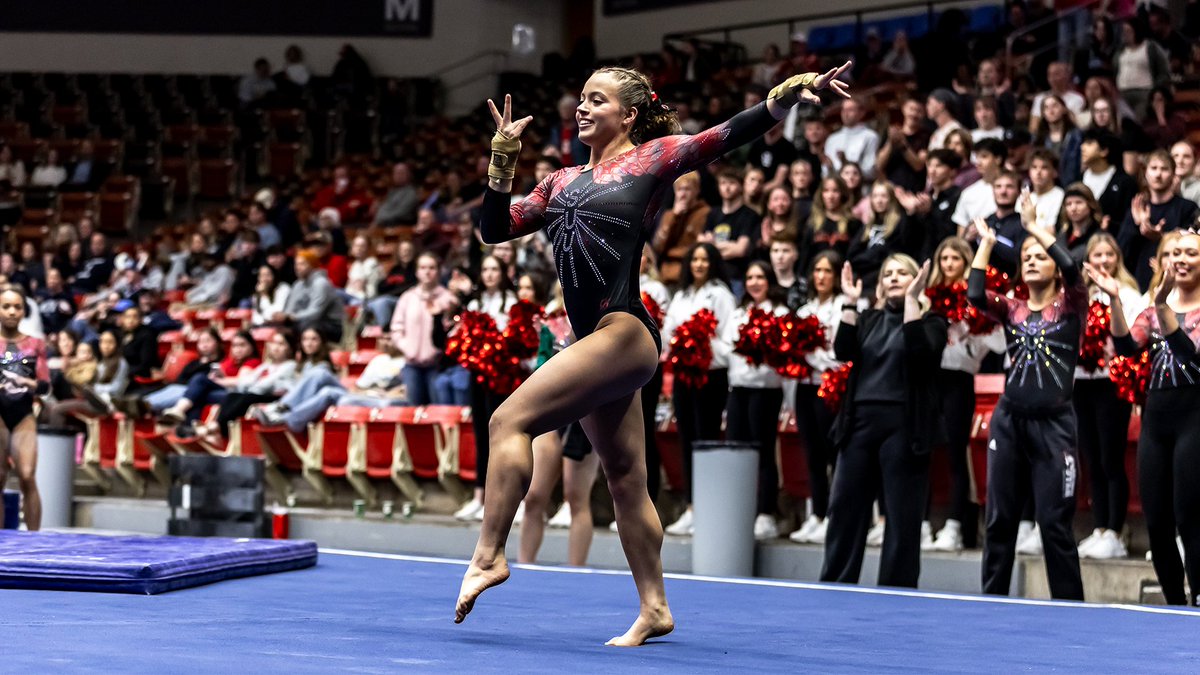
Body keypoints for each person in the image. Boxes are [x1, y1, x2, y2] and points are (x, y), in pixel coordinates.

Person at [465, 63, 852, 644]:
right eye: (582, 98)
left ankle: (490, 553)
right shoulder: (558, 182)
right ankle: (655, 607)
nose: (583, 107)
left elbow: (724, 135)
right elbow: (494, 229)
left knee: (507, 419)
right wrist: (502, 160)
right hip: (596, 342)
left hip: (624, 333)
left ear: (630, 115)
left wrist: (787, 97)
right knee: (624, 479)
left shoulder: (651, 160)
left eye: (598, 100)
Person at [969, 189, 1087, 601]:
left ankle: (1070, 607)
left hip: (1054, 425)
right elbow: (974, 295)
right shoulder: (1013, 308)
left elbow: (1074, 268)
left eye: (1041, 255)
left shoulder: (1072, 305)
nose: (1033, 259)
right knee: (1000, 519)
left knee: (1054, 522)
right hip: (1009, 419)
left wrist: (1034, 226)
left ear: (1054, 267)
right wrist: (985, 246)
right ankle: (992, 602)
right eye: (1026, 257)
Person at [819, 255, 946, 588]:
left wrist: (912, 302)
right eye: (887, 273)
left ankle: (897, 589)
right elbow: (843, 350)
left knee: (902, 516)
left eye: (902, 272)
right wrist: (848, 301)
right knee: (845, 508)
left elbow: (920, 353)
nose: (893, 277)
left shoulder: (933, 322)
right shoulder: (869, 319)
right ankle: (834, 583)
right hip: (859, 422)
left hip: (905, 426)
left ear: (917, 278)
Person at [1105, 230, 1200, 605]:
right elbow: (1126, 347)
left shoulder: (1175, 308)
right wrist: (1115, 299)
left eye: (1191, 252)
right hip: (1156, 420)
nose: (1181, 259)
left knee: (1190, 515)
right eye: (1175, 252)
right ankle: (1174, 601)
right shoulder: (1154, 306)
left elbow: (1192, 356)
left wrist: (1163, 307)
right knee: (1157, 518)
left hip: (1194, 416)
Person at [924, 238, 1006, 551]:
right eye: (943, 258)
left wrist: (971, 335)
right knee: (925, 453)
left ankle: (956, 525)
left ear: (966, 262)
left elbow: (999, 342)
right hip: (930, 379)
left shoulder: (976, 299)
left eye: (955, 259)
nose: (948, 264)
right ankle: (921, 523)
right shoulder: (929, 298)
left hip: (960, 379)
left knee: (957, 454)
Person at [1071, 233, 1142, 560]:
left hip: (1113, 383)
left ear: (1117, 258)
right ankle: (1100, 528)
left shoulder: (1127, 293)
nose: (1102, 261)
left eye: (1108, 255)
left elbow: (1132, 338)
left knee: (1110, 457)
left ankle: (1116, 530)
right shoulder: (1078, 294)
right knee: (1091, 457)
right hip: (1082, 382)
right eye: (1096, 255)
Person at [662, 243, 737, 537]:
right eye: (695, 259)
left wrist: (702, 346)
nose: (699, 264)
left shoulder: (720, 294)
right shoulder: (681, 295)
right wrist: (682, 344)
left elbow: (727, 337)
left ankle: (707, 508)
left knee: (706, 438)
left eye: (705, 260)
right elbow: (668, 332)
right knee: (686, 439)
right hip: (683, 374)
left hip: (710, 374)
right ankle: (690, 506)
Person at [788, 250, 855, 543]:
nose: (822, 276)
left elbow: (840, 355)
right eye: (817, 271)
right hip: (805, 386)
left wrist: (814, 357)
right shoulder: (804, 310)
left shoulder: (845, 305)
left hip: (832, 386)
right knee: (812, 454)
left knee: (832, 452)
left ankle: (835, 516)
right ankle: (816, 514)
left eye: (828, 271)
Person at [724, 261, 789, 539]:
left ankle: (765, 513)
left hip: (766, 390)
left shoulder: (781, 313)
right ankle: (740, 510)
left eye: (760, 277)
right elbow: (727, 347)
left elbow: (784, 353)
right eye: (749, 277)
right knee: (737, 450)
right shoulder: (739, 313)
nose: (754, 282)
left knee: (762, 451)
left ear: (769, 280)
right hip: (739, 390)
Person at [453, 254, 519, 523]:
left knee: (499, 437)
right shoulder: (475, 303)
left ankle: (501, 498)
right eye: (485, 270)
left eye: (495, 269)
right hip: (477, 376)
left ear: (503, 273)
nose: (490, 274)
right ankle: (479, 496)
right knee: (480, 435)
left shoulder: (512, 304)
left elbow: (512, 340)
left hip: (502, 378)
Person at [0, 286, 48, 531]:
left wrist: (29, 383)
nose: (11, 312)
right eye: (6, 306)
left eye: (17, 307)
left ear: (23, 311)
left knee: (27, 476)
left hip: (23, 415)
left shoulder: (35, 344)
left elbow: (45, 386)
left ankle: (34, 541)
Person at [1118, 150, 1200, 291]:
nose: (1158, 174)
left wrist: (1161, 237)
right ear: (1145, 173)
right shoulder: (1138, 207)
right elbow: (1121, 251)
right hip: (1139, 283)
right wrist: (1137, 224)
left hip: (1177, 282)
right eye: (1154, 168)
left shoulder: (1187, 207)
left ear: (1174, 174)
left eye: (1164, 169)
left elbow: (1192, 245)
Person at [391, 252, 458, 406]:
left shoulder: (449, 299)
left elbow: (451, 332)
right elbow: (396, 328)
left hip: (436, 366)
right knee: (415, 415)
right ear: (416, 271)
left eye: (431, 267)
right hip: (412, 365)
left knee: (438, 412)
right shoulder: (407, 297)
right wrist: (406, 347)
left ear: (439, 271)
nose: (427, 271)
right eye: (422, 267)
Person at [277, 248, 346, 342]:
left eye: (302, 264)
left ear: (312, 265)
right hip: (304, 321)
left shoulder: (321, 283)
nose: (297, 267)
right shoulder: (297, 284)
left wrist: (293, 317)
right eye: (296, 264)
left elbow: (315, 313)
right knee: (276, 327)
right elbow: (290, 309)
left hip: (329, 325)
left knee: (303, 326)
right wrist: (283, 316)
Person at [652, 172, 710, 284]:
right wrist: (674, 216)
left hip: (690, 273)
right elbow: (658, 247)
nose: (682, 194)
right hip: (665, 273)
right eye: (679, 190)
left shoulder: (705, 213)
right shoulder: (668, 215)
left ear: (697, 190)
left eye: (687, 189)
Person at [824, 98, 880, 180]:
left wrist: (845, 163)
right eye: (843, 110)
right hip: (835, 187)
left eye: (850, 110)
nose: (845, 114)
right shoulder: (832, 139)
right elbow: (825, 172)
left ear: (861, 113)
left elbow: (870, 171)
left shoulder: (870, 136)